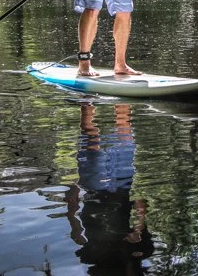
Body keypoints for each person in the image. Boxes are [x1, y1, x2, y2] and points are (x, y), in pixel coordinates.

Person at [66, 102, 154, 274]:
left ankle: (87, 99)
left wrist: (73, 200)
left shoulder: (90, 258)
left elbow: (76, 234)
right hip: (122, 185)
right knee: (124, 131)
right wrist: (138, 228)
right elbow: (142, 208)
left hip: (94, 189)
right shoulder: (142, 252)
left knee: (90, 137)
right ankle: (123, 93)